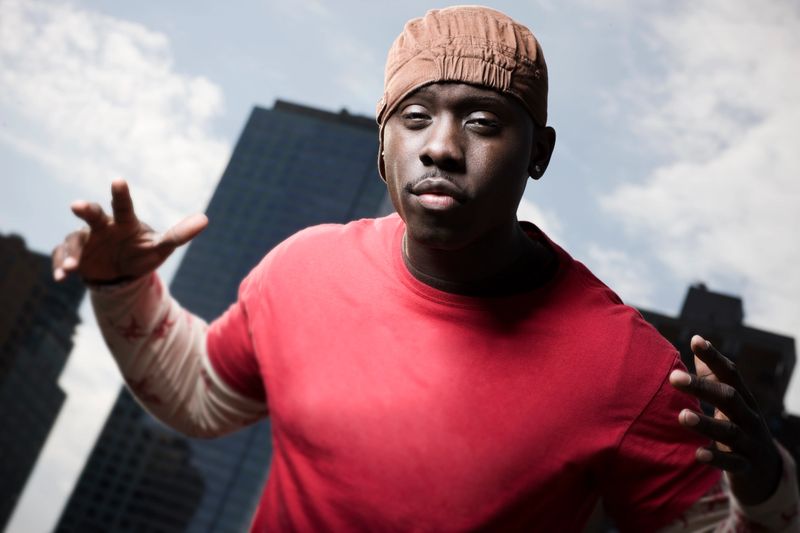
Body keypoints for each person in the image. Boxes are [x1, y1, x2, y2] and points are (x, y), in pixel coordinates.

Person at [52, 6, 799, 532]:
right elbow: (204, 398)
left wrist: (765, 489)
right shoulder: (303, 270)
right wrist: (120, 287)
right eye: (415, 117)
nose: (441, 145)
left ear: (539, 151)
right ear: (382, 146)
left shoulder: (629, 369)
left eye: (482, 120)